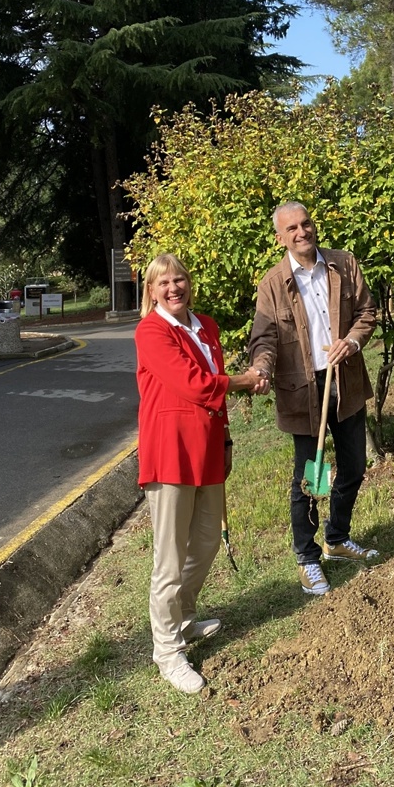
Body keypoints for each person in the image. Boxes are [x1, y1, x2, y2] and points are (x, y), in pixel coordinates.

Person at [135, 253, 265, 693]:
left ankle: (184, 617)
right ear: (151, 290)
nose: (174, 288)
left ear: (190, 284)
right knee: (169, 558)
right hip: (170, 452)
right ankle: (167, 651)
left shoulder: (206, 325)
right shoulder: (151, 331)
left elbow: (213, 393)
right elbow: (194, 384)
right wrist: (245, 381)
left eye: (180, 280)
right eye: (163, 283)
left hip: (207, 449)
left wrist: (226, 439)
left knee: (207, 541)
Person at [248, 202, 379, 596]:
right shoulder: (272, 284)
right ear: (280, 238)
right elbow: (264, 337)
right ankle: (308, 559)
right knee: (312, 478)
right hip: (304, 391)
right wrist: (262, 368)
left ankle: (336, 539)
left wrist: (353, 342)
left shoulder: (344, 264)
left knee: (354, 465)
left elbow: (367, 312)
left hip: (346, 380)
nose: (301, 232)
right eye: (292, 229)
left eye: (306, 224)